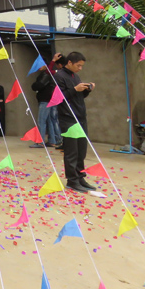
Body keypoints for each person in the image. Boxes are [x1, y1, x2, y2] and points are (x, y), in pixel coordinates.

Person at [54, 51, 95, 193]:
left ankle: (80, 176)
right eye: (78, 65)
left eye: (82, 66)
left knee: (81, 150)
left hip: (80, 116)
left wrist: (87, 89)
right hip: (68, 118)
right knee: (72, 151)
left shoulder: (75, 76)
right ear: (69, 63)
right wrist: (74, 89)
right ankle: (72, 180)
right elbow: (59, 98)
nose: (80, 68)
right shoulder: (59, 76)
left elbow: (78, 95)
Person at [31, 53, 64, 148]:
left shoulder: (49, 73)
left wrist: (53, 60)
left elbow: (38, 85)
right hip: (51, 99)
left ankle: (40, 141)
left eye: (40, 64)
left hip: (45, 100)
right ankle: (53, 140)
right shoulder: (52, 74)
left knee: (42, 120)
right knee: (50, 120)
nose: (38, 67)